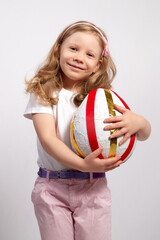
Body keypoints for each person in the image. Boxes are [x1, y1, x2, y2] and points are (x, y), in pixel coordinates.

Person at [24, 21, 151, 240]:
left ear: (99, 65)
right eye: (73, 49)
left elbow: (144, 133)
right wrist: (83, 164)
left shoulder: (102, 99)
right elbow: (48, 139)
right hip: (51, 188)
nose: (79, 57)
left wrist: (139, 122)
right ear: (59, 49)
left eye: (90, 54)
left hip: (93, 188)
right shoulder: (45, 90)